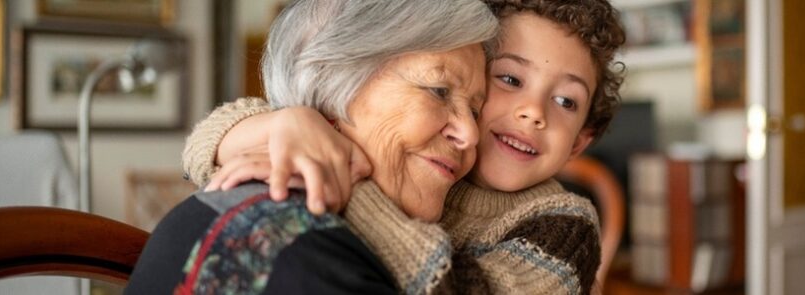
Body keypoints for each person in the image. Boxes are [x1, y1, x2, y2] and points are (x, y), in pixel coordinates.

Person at [183, 0, 626, 293]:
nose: (534, 112)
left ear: (579, 143)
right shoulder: (431, 164)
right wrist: (286, 124)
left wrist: (344, 174)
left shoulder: (564, 224)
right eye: (509, 80)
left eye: (567, 101)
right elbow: (203, 144)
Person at [125, 0, 497, 294]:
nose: (470, 134)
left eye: (476, 110)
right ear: (331, 83)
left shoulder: (273, 206)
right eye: (439, 91)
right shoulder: (297, 248)